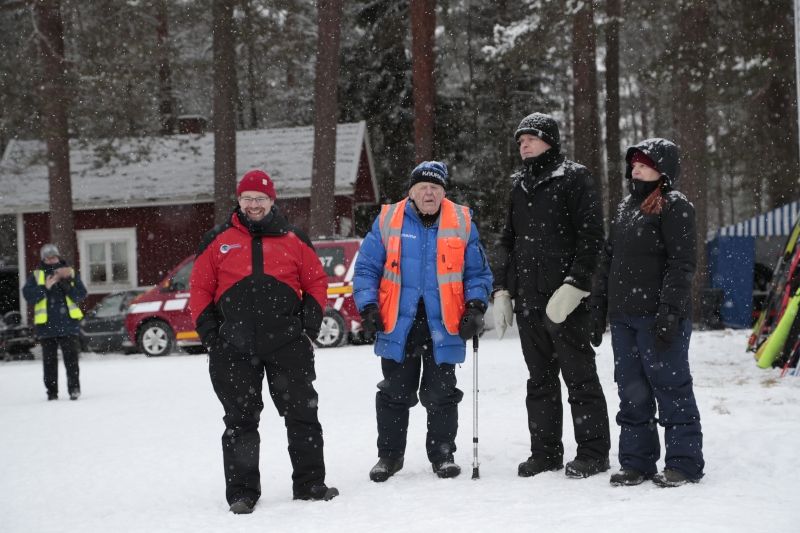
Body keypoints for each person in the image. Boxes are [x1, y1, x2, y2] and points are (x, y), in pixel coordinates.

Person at [190, 169, 338, 514]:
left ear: (272, 201)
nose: (253, 204)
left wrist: (308, 328)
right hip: (233, 347)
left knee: (302, 414)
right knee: (240, 421)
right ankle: (242, 493)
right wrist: (211, 336)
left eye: (260, 198)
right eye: (247, 198)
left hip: (287, 344)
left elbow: (316, 282)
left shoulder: (294, 238)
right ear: (239, 201)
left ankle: (310, 483)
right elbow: (199, 288)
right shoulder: (217, 239)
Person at [353, 161, 493, 482]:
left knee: (442, 392)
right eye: (422, 188)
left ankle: (443, 456)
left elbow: (478, 273)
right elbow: (366, 269)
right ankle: (389, 457)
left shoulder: (461, 221)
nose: (428, 193)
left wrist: (475, 305)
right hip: (397, 324)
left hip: (444, 323)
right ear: (411, 192)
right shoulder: (388, 219)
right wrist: (369, 306)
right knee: (393, 393)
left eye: (435, 188)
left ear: (444, 192)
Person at [493, 113, 611, 479]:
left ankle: (593, 453)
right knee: (539, 380)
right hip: (529, 300)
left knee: (579, 378)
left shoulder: (576, 178)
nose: (524, 144)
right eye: (519, 140)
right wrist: (501, 289)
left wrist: (576, 285)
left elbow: (592, 239)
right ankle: (545, 452)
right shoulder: (519, 185)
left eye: (531, 137)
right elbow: (507, 241)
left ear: (550, 141)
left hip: (566, 302)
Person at [590, 139, 705, 488]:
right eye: (633, 163)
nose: (635, 168)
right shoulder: (626, 207)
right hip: (624, 318)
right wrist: (598, 308)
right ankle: (637, 463)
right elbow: (608, 261)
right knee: (631, 391)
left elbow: (682, 264)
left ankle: (684, 464)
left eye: (643, 162)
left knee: (671, 389)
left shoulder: (675, 206)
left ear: (663, 169)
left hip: (659, 318)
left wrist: (670, 312)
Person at [22, 244, 87, 401]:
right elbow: (28, 296)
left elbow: (81, 294)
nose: (51, 260)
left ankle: (74, 389)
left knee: (71, 360)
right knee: (49, 363)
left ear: (58, 257)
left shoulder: (69, 273)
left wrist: (68, 287)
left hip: (68, 325)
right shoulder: (37, 276)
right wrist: (45, 287)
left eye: (54, 257)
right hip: (46, 327)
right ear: (43, 260)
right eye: (48, 258)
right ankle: (52, 392)